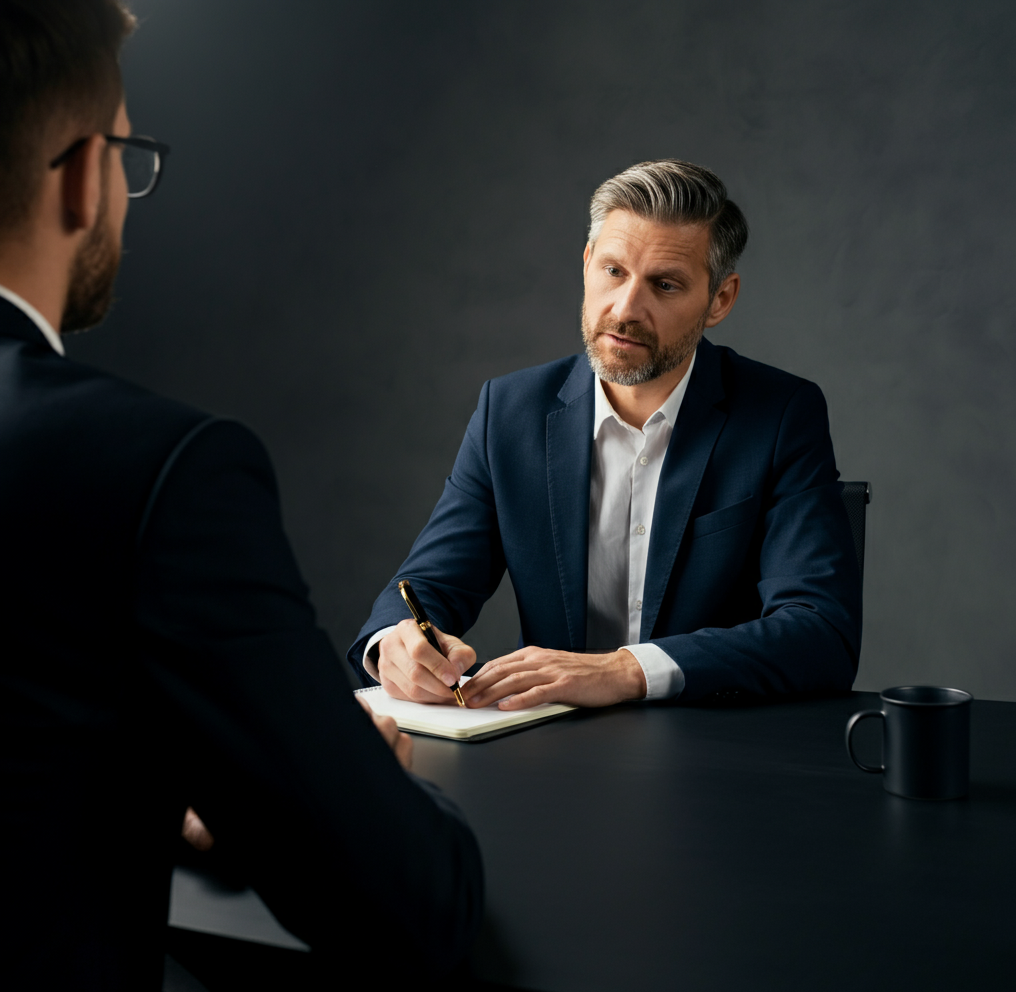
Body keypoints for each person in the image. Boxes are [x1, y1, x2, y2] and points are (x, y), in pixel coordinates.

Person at [0, 2, 482, 992]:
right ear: (86, 174)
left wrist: (140, 780)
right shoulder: (154, 468)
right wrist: (355, 778)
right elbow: (405, 903)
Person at [349, 160, 862, 710]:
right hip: (547, 753)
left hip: (712, 754)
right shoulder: (511, 411)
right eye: (614, 271)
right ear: (588, 262)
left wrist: (626, 670)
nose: (624, 309)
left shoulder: (782, 414)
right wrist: (394, 646)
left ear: (720, 299)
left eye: (664, 285)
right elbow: (428, 587)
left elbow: (819, 631)